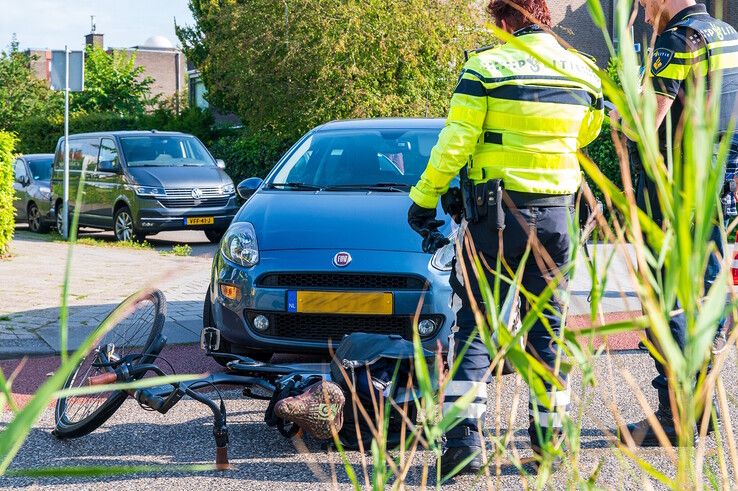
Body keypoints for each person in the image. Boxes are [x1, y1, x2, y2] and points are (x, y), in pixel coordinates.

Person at [406, 0, 604, 475]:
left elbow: (455, 142)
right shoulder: (584, 73)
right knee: (547, 333)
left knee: (476, 327)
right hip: (557, 219)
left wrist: (424, 198)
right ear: (546, 17)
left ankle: (463, 446)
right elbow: (587, 133)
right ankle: (547, 447)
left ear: (505, 20)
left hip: (494, 220)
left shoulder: (485, 68)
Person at [619, 0, 738, 446]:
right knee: (707, 292)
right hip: (713, 190)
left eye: (647, 4)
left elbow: (644, 125)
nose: (645, 11)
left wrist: (619, 114)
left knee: (666, 304)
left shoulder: (678, 40)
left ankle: (674, 418)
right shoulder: (729, 35)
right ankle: (703, 407)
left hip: (674, 196)